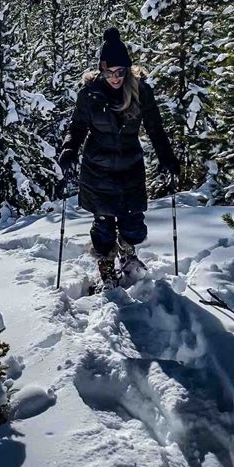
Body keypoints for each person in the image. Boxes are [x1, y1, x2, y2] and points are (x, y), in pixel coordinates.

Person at [58, 27, 180, 290]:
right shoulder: (90, 95)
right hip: (97, 169)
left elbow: (155, 128)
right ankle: (106, 264)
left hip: (130, 168)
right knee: (103, 225)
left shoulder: (140, 92)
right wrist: (69, 150)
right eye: (109, 72)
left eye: (120, 72)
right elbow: (77, 127)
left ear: (127, 69)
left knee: (133, 222)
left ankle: (127, 253)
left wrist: (167, 158)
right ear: (101, 71)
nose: (114, 78)